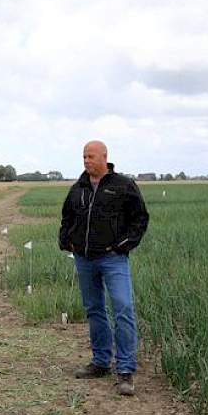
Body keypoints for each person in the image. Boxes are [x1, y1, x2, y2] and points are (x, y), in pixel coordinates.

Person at [59, 140, 149, 396]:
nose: (86, 161)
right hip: (84, 259)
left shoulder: (123, 185)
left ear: (104, 157)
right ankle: (100, 362)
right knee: (94, 310)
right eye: (84, 157)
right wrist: (67, 241)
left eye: (91, 156)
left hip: (113, 259)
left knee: (123, 308)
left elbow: (140, 218)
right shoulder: (79, 188)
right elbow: (67, 217)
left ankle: (125, 370)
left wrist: (123, 245)